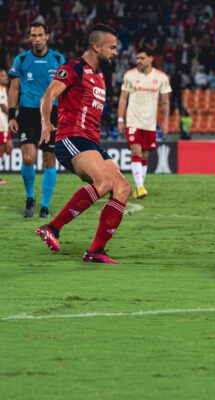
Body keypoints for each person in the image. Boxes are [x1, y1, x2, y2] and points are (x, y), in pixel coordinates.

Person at [36, 24, 129, 264]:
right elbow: (48, 95)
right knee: (105, 181)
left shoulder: (99, 77)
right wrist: (46, 122)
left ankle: (96, 251)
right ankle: (53, 228)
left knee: (122, 187)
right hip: (71, 137)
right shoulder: (74, 68)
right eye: (112, 47)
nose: (115, 53)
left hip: (91, 142)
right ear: (95, 46)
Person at [8, 22, 65, 218]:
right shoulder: (21, 59)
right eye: (34, 35)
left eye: (41, 35)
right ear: (29, 38)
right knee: (28, 158)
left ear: (47, 36)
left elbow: (65, 89)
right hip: (27, 113)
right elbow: (14, 88)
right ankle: (30, 196)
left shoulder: (58, 59)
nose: (37, 39)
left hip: (50, 113)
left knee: (49, 159)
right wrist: (11, 115)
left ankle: (45, 206)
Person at [118, 47, 171, 199]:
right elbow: (123, 98)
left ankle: (139, 186)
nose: (138, 61)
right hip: (133, 120)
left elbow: (165, 102)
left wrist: (166, 122)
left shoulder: (161, 77)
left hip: (150, 123)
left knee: (145, 155)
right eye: (137, 58)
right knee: (136, 151)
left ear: (150, 59)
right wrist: (121, 119)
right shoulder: (130, 75)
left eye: (141, 58)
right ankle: (140, 187)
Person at [0, 69, 10, 184]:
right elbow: (3, 106)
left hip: (4, 125)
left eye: (5, 75)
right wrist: (15, 116)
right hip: (1, 125)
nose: (5, 78)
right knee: (2, 149)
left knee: (8, 147)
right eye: (2, 76)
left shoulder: (4, 90)